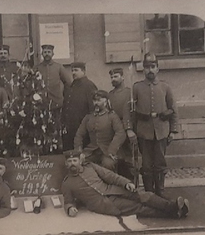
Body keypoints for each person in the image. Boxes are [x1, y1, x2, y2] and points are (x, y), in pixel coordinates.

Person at [61, 150, 189, 219]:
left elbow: (110, 176)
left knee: (142, 195)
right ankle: (174, 214)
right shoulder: (67, 184)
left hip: (113, 190)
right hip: (103, 204)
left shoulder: (91, 167)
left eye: (75, 160)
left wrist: (126, 183)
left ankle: (172, 207)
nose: (72, 163)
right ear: (66, 164)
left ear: (80, 161)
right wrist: (70, 208)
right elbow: (68, 201)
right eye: (70, 161)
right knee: (137, 207)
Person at [123, 53, 178, 197]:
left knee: (160, 163)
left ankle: (160, 191)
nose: (150, 70)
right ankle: (149, 193)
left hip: (161, 131)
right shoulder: (137, 88)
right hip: (143, 131)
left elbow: (173, 110)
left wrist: (173, 131)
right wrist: (129, 129)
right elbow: (128, 110)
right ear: (143, 70)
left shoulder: (165, 87)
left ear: (158, 68)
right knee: (146, 164)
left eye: (153, 67)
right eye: (147, 67)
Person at [74, 90, 126, 172]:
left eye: (99, 100)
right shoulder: (88, 117)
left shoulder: (112, 116)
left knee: (108, 164)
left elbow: (120, 133)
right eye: (94, 100)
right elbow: (79, 134)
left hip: (108, 150)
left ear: (105, 102)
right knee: (81, 163)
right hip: (92, 150)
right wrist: (79, 152)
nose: (96, 103)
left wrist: (112, 151)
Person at [34, 44, 73, 148]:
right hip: (41, 104)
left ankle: (57, 148)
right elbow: (32, 84)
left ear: (53, 54)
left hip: (56, 103)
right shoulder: (37, 68)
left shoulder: (59, 67)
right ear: (42, 54)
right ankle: (43, 148)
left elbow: (68, 83)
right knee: (42, 127)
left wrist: (64, 97)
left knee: (56, 127)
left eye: (49, 52)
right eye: (45, 52)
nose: (47, 54)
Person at [107, 68, 137, 182]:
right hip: (114, 130)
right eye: (112, 77)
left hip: (127, 128)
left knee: (128, 159)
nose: (113, 79)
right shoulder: (110, 95)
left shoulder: (130, 93)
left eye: (116, 76)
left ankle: (131, 183)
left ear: (122, 77)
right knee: (117, 158)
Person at [61, 62, 98, 151]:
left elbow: (93, 107)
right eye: (72, 70)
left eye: (76, 70)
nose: (73, 73)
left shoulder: (89, 86)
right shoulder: (72, 86)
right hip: (71, 127)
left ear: (84, 71)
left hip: (83, 127)